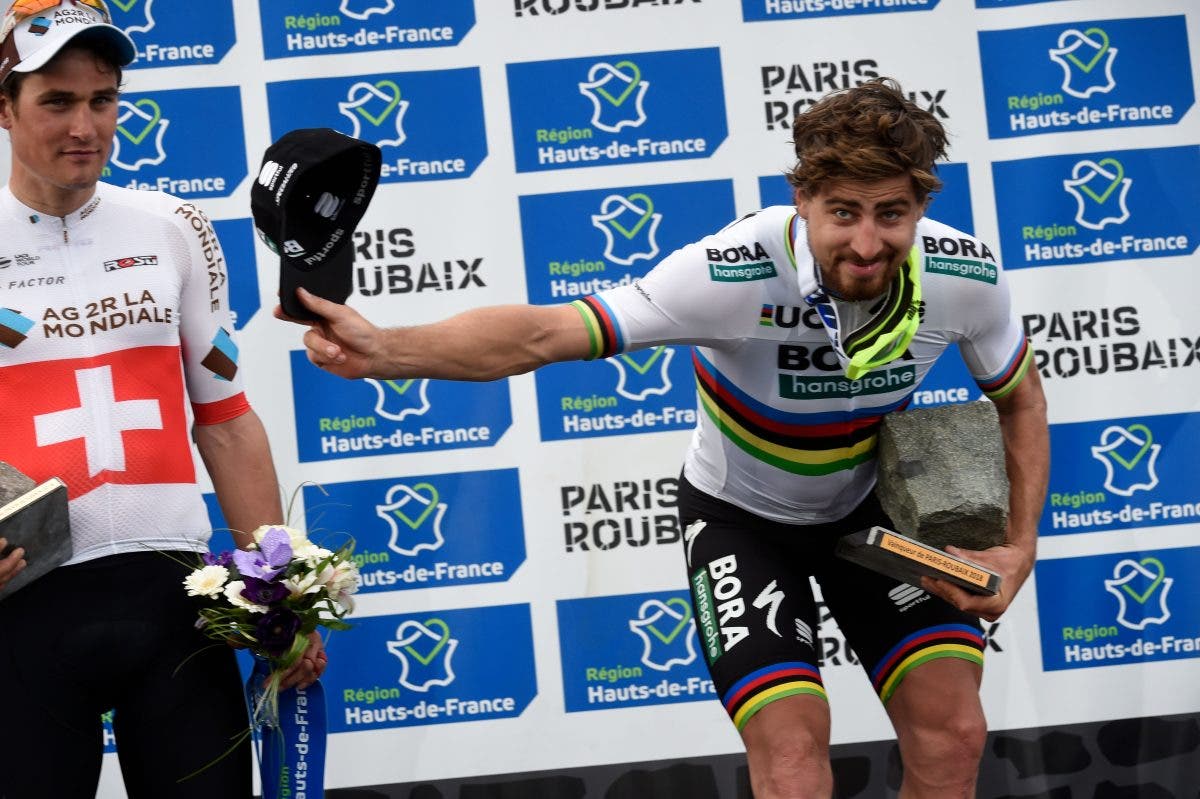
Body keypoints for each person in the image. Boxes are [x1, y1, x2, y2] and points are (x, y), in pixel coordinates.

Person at [286, 78, 1049, 798]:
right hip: (744, 524)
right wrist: (386, 350)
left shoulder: (963, 272)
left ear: (922, 205)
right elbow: (549, 332)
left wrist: (1019, 546)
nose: (867, 241)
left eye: (891, 213)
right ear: (803, 200)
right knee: (790, 759)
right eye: (843, 212)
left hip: (874, 517)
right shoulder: (733, 271)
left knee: (952, 736)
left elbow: (1022, 403)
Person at [0, 2, 324, 796]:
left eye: (103, 100)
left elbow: (226, 419)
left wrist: (278, 591)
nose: (86, 126)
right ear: (3, 107)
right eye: (57, 102)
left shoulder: (172, 226)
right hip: (23, 611)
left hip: (174, 608)